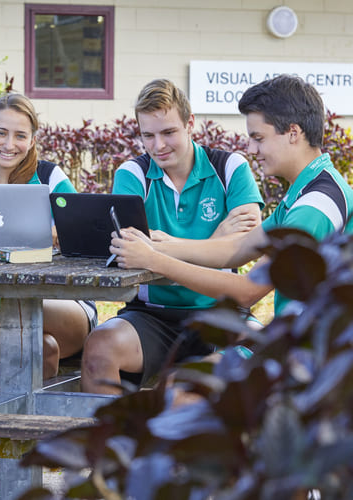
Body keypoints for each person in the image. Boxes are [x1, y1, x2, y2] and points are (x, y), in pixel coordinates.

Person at [110, 74, 353, 319]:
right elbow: (239, 248)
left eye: (258, 138)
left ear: (293, 133)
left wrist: (154, 259)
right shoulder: (305, 190)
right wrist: (158, 246)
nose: (251, 149)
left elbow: (247, 291)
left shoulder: (315, 205)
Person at [0, 92, 98, 468]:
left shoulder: (49, 177)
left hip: (64, 306)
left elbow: (81, 230)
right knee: (39, 349)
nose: (10, 145)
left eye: (21, 136)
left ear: (33, 139)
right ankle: (26, 449)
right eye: (2, 133)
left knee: (27, 328)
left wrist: (50, 234)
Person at [80, 79, 264, 395]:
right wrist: (217, 240)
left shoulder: (230, 167)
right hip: (152, 316)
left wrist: (161, 249)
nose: (158, 146)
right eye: (147, 135)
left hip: (222, 312)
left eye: (168, 133)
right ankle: (114, 444)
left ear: (190, 124)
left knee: (258, 352)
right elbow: (130, 249)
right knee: (99, 348)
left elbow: (248, 245)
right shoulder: (132, 174)